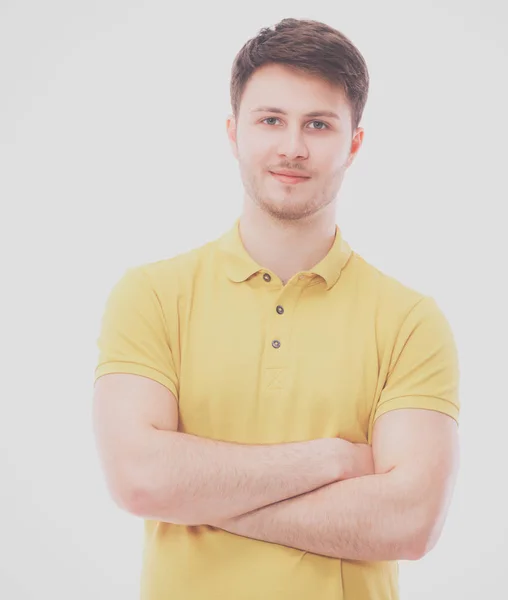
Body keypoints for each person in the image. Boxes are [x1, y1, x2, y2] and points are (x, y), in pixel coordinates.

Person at [92, 17, 460, 600]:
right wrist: (332, 461)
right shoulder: (151, 297)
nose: (292, 146)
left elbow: (411, 522)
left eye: (318, 124)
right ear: (234, 131)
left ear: (354, 143)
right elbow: (140, 480)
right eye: (271, 120)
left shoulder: (410, 322)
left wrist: (200, 498)